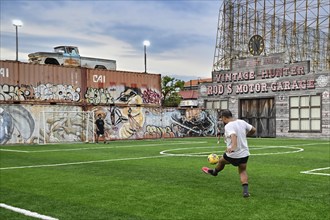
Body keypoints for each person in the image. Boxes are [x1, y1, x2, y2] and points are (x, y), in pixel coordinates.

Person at [202, 109, 256, 198]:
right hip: (245, 154)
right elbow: (253, 129)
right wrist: (246, 135)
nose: (222, 120)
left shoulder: (229, 126)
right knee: (242, 170)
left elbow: (233, 135)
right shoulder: (241, 122)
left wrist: (233, 147)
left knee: (221, 161)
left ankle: (215, 172)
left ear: (224, 117)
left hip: (233, 154)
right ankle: (245, 192)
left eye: (221, 118)